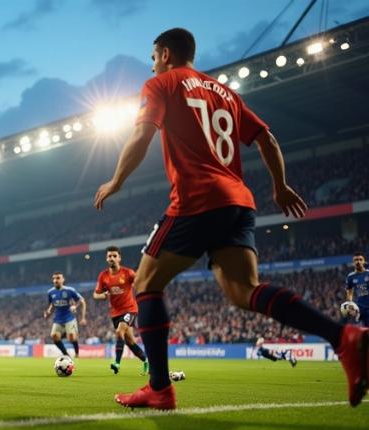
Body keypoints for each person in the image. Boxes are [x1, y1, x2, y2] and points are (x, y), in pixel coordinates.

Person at [93, 28, 368, 409]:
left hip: (196, 199)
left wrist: (116, 180)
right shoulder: (226, 93)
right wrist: (280, 186)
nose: (152, 63)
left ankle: (159, 388)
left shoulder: (163, 83)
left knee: (145, 283)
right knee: (243, 291)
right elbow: (267, 139)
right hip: (239, 202)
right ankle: (342, 337)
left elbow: (142, 135)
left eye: (154, 56)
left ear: (167, 54)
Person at [93, 246, 148, 374]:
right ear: (107, 259)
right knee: (129, 341)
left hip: (130, 309)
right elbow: (95, 294)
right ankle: (147, 361)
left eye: (114, 256)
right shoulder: (103, 276)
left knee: (119, 332)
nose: (111, 258)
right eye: (109, 256)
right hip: (115, 312)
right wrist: (103, 296)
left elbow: (140, 282)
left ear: (119, 258)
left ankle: (117, 363)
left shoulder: (128, 273)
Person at [44, 271, 86, 358]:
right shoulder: (50, 292)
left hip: (69, 318)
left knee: (71, 338)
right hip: (58, 319)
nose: (56, 280)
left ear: (63, 280)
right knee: (54, 336)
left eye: (58, 278)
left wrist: (82, 316)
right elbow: (51, 304)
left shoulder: (70, 290)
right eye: (54, 278)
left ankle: (77, 353)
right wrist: (48, 312)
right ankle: (66, 354)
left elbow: (82, 300)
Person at [346, 252, 369, 327]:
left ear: (363, 261)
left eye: (360, 259)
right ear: (353, 262)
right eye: (356, 260)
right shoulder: (350, 277)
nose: (358, 261)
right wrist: (350, 305)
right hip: (361, 309)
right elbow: (349, 291)